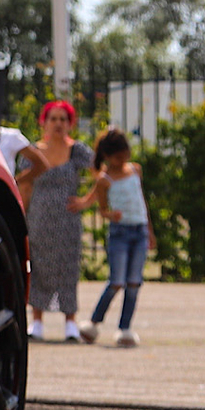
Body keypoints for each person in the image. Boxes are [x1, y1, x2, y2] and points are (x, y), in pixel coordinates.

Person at [14, 99, 94, 342]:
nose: (58, 124)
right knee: (38, 268)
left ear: (70, 124)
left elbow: (101, 176)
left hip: (68, 222)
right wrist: (21, 218)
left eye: (63, 119)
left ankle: (70, 322)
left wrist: (86, 201)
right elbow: (25, 187)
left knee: (68, 269)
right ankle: (36, 321)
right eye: (53, 119)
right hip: (39, 220)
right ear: (44, 123)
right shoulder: (33, 152)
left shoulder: (78, 151)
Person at [85, 127, 148, 346]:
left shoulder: (135, 170)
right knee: (116, 281)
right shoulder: (104, 180)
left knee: (134, 282)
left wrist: (150, 232)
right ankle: (93, 323)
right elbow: (102, 210)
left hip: (140, 231)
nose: (123, 160)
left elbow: (142, 202)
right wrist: (112, 214)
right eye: (118, 156)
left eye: (125, 155)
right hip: (119, 234)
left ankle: (125, 328)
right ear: (107, 157)